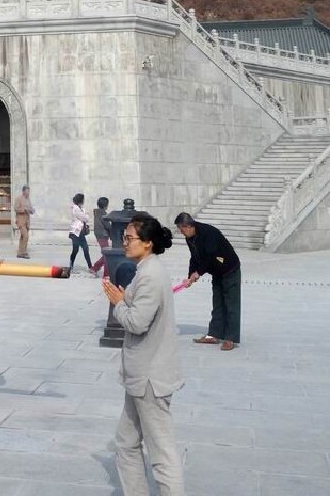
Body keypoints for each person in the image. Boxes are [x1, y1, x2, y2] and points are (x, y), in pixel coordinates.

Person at [103, 214, 185, 496]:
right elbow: (142, 309)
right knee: (126, 442)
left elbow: (138, 323)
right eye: (124, 237)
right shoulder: (147, 270)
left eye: (130, 238)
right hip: (140, 376)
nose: (124, 243)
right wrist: (126, 298)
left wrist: (118, 304)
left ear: (147, 243)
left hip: (150, 378)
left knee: (161, 453)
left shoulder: (150, 275)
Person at [174, 212, 241, 351]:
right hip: (216, 271)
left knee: (231, 304)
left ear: (189, 226)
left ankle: (230, 338)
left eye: (182, 229)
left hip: (229, 269)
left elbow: (210, 256)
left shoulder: (208, 233)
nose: (181, 232)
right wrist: (190, 275)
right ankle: (214, 335)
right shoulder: (190, 238)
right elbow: (194, 258)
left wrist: (198, 273)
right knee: (217, 303)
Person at [69, 193, 99, 276]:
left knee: (86, 249)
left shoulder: (80, 208)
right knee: (75, 250)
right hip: (75, 232)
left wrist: (85, 214)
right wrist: (86, 215)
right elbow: (85, 218)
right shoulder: (76, 209)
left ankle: (90, 267)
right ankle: (71, 267)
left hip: (80, 233)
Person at [13, 185, 35, 258]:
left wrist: (32, 210)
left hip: (27, 221)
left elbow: (30, 208)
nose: (28, 193)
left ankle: (20, 252)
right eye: (27, 191)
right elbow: (16, 208)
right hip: (20, 220)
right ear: (23, 191)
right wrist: (24, 210)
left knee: (23, 236)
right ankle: (23, 252)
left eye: (29, 191)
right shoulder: (18, 199)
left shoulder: (28, 199)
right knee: (26, 236)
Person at [92, 196, 111, 275]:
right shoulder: (103, 214)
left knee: (106, 254)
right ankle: (105, 273)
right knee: (106, 254)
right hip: (102, 235)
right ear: (105, 205)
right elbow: (107, 225)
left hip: (99, 235)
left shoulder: (97, 213)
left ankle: (95, 268)